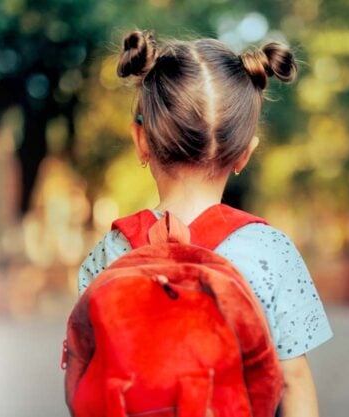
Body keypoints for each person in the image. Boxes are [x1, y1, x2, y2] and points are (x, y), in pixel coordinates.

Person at [78, 30, 333, 417]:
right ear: (244, 154)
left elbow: (92, 377)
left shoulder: (109, 255)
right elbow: (293, 381)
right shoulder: (270, 250)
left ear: (140, 140)